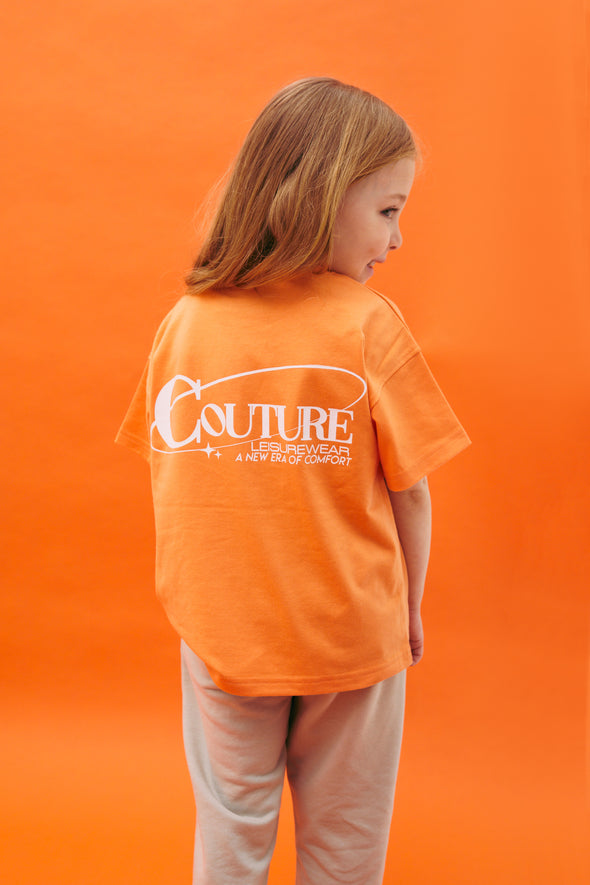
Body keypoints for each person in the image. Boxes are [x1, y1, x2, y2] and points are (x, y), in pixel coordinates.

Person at [116, 76, 470, 885]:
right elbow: (412, 490)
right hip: (352, 631)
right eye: (388, 211)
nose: (398, 237)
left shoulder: (186, 323)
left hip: (223, 632)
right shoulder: (369, 325)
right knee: (346, 843)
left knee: (230, 833)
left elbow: (171, 467)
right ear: (323, 196)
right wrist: (410, 606)